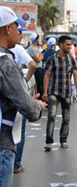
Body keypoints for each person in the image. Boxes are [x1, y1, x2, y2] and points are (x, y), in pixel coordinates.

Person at [0, 6, 45, 187]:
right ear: (8, 28)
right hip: (2, 145)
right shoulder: (6, 64)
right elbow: (29, 110)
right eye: (17, 27)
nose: (20, 33)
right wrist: (36, 105)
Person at [43, 35, 77, 151]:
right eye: (68, 44)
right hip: (54, 92)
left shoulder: (71, 59)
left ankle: (63, 140)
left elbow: (75, 74)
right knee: (51, 116)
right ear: (61, 45)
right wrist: (45, 92)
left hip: (67, 92)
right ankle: (49, 142)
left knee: (66, 118)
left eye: (70, 44)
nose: (70, 47)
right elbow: (47, 76)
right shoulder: (52, 59)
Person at [9, 26, 37, 174]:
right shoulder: (18, 49)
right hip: (17, 96)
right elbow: (33, 64)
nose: (19, 36)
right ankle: (16, 163)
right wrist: (25, 81)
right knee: (19, 130)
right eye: (17, 32)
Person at [27, 33, 44, 99]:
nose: (38, 40)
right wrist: (42, 56)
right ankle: (41, 100)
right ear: (36, 39)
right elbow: (38, 59)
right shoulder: (31, 48)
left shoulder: (36, 47)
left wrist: (41, 56)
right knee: (40, 85)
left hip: (39, 68)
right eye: (38, 39)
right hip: (36, 69)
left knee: (41, 84)